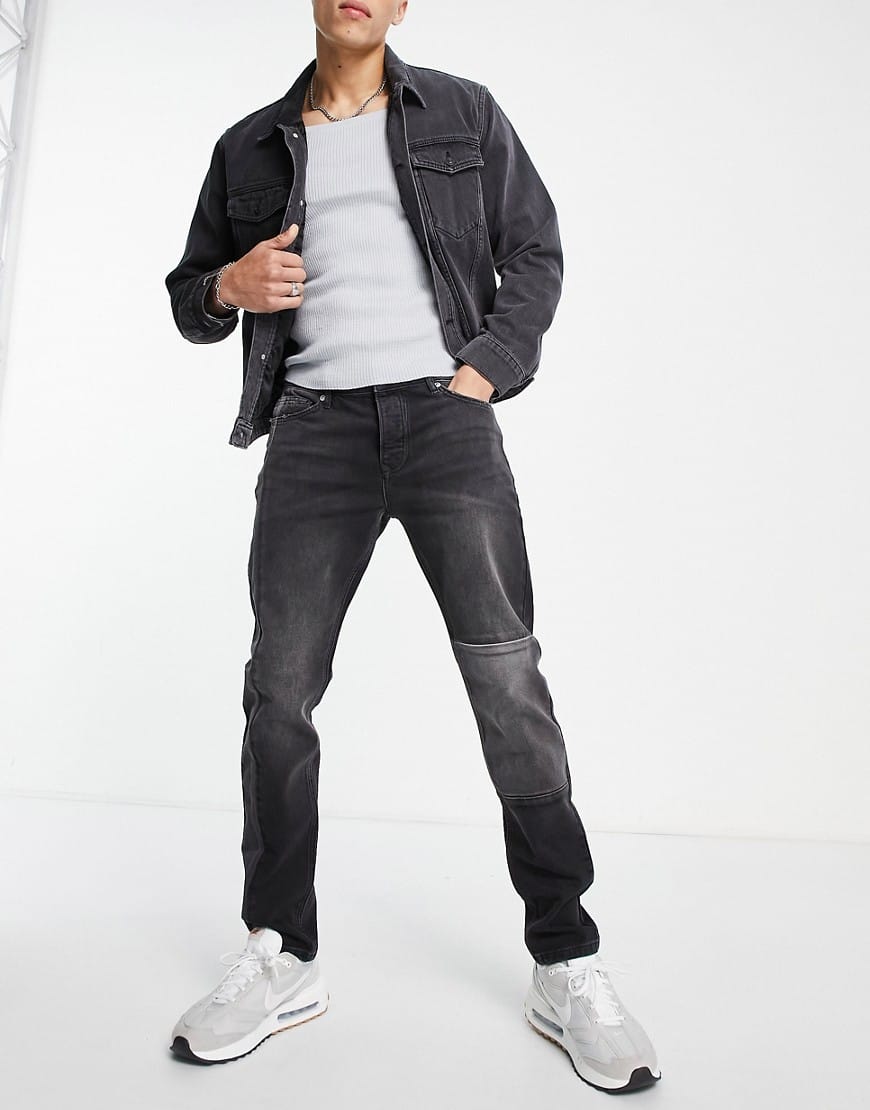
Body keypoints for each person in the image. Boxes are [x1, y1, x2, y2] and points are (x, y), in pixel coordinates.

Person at [164, 0, 661, 1092]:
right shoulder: (249, 146)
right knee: (279, 691)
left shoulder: (464, 113)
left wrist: (485, 369)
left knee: (507, 680)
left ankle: (566, 959)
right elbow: (189, 298)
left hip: (446, 423)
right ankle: (281, 951)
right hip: (313, 435)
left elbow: (536, 250)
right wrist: (225, 287)